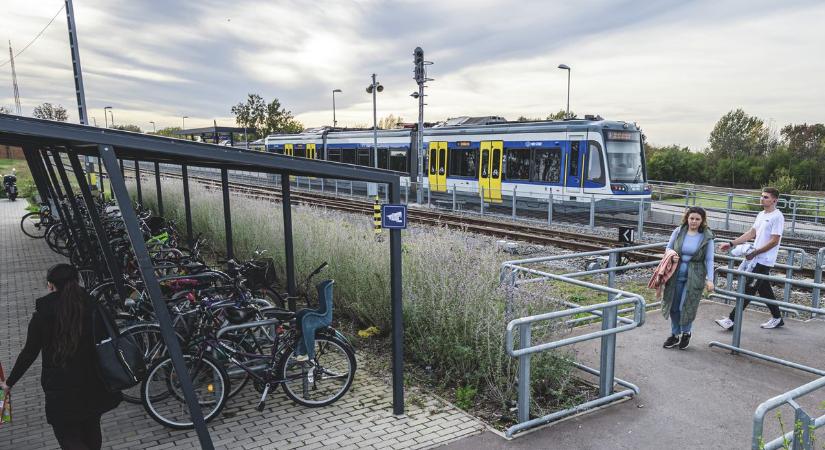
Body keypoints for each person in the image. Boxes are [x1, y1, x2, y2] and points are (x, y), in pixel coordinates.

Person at [0, 264, 122, 450]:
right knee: (91, 428)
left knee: (67, 435)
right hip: (93, 380)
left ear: (50, 285)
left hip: (60, 386)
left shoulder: (42, 315)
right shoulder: (92, 306)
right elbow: (111, 336)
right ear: (76, 281)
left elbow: (29, 353)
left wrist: (9, 383)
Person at [715, 187, 786, 330]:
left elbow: (774, 241)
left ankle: (731, 320)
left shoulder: (777, 217)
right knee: (764, 290)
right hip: (754, 259)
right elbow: (751, 233)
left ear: (774, 200)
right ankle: (778, 318)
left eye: (766, 197)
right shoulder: (761, 214)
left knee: (748, 290)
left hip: (764, 260)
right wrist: (731, 243)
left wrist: (755, 252)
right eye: (762, 196)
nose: (762, 198)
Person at [661, 207, 715, 350]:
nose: (694, 222)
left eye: (697, 219)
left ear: (702, 221)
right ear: (687, 218)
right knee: (673, 306)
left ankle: (686, 332)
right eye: (692, 218)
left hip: (695, 276)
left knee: (686, 305)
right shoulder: (679, 231)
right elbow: (668, 248)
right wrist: (672, 254)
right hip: (674, 274)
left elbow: (709, 260)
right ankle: (675, 334)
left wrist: (710, 279)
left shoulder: (706, 237)